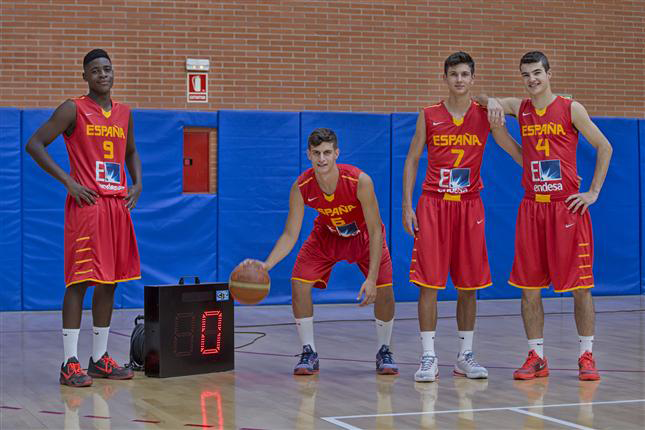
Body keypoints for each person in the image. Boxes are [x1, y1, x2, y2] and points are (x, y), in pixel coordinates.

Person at [483, 51, 612, 381]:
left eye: (537, 73)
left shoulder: (571, 108)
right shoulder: (521, 108)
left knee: (581, 287)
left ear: (549, 73)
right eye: (526, 74)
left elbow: (604, 146)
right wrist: (494, 102)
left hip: (566, 208)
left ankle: (586, 354)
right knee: (528, 288)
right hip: (532, 207)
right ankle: (537, 356)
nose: (532, 80)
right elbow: (483, 99)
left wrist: (593, 192)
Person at [402, 52, 522, 382]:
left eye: (464, 74)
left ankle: (464, 355)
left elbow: (511, 147)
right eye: (453, 74)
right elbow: (412, 159)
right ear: (445, 78)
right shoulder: (428, 115)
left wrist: (550, 172)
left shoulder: (485, 114)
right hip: (433, 205)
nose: (459, 79)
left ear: (473, 78)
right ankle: (428, 356)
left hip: (469, 206)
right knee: (428, 283)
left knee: (469, 284)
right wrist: (406, 206)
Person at [26, 49, 142, 387]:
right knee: (79, 281)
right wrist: (69, 182)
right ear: (85, 77)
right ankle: (69, 362)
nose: (102, 75)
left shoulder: (124, 113)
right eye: (95, 70)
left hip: (116, 205)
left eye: (107, 69)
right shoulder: (72, 109)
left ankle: (99, 359)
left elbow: (132, 152)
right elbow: (35, 144)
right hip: (87, 204)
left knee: (109, 281)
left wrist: (138, 183)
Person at [241, 127, 397, 375]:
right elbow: (290, 233)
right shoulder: (301, 186)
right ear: (309, 155)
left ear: (337, 153)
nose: (322, 159)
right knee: (299, 283)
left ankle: (384, 350)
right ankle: (308, 351)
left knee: (385, 290)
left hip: (364, 236)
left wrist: (371, 278)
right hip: (327, 235)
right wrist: (267, 265)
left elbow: (376, 230)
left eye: (327, 152)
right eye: (316, 153)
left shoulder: (360, 181)